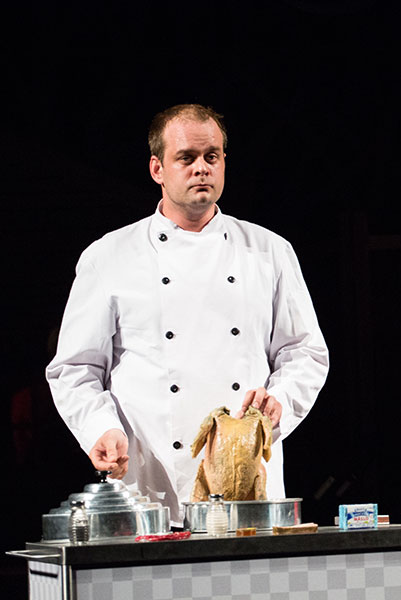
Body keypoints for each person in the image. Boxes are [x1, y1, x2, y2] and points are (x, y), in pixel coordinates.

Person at [46, 104, 329, 525]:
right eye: (187, 158)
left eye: (211, 156)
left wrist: (281, 402)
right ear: (157, 168)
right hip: (151, 489)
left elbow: (305, 352)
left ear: (224, 162)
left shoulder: (270, 251)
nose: (202, 168)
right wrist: (100, 428)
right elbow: (75, 368)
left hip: (248, 485)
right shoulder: (109, 256)